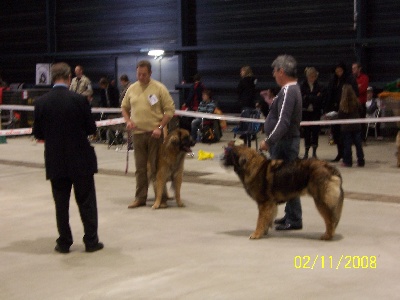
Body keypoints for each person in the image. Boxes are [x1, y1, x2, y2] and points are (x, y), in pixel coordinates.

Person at [33, 62, 103, 254]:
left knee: (61, 204)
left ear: (52, 77)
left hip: (56, 160)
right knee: (87, 202)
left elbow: (38, 133)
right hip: (81, 159)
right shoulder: (79, 101)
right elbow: (91, 129)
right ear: (69, 76)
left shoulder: (41, 102)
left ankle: (64, 242)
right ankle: (91, 241)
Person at [121, 60, 175, 208]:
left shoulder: (159, 88)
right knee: (140, 168)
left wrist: (160, 126)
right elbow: (124, 107)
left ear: (150, 73)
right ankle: (140, 198)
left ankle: (162, 198)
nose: (141, 77)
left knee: (157, 168)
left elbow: (170, 110)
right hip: (137, 134)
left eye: (144, 74)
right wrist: (128, 120)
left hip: (155, 135)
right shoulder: (131, 89)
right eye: (139, 74)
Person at [259, 54, 303, 231]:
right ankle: (290, 215)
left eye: (275, 71)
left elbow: (283, 122)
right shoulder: (290, 90)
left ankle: (294, 219)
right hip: (285, 142)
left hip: (284, 144)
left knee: (288, 182)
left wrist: (269, 142)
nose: (273, 75)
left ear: (282, 71)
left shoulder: (288, 91)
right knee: (286, 182)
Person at [325, 62, 359, 162]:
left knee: (346, 134)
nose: (338, 73)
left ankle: (347, 155)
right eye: (337, 71)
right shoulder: (333, 80)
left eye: (340, 71)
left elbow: (354, 93)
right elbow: (329, 94)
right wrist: (327, 108)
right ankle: (340, 153)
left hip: (346, 111)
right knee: (336, 133)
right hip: (335, 110)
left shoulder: (350, 79)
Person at [300, 67, 325, 159]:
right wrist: (314, 96)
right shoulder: (302, 85)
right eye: (310, 76)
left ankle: (314, 152)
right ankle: (306, 152)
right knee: (306, 132)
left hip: (315, 112)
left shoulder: (319, 86)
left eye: (314, 76)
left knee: (315, 132)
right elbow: (302, 98)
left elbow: (320, 98)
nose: (312, 78)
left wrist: (309, 97)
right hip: (306, 112)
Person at [338, 84, 365, 167]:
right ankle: (361, 161)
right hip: (356, 126)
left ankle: (348, 161)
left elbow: (340, 116)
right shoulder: (357, 102)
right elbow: (361, 111)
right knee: (358, 144)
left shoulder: (343, 104)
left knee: (347, 145)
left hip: (346, 128)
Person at [352, 62, 369, 140]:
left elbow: (362, 90)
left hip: (361, 103)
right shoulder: (351, 78)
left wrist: (356, 88)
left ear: (359, 69)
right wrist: (357, 87)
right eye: (352, 68)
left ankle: (362, 139)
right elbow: (350, 90)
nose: (353, 70)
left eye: (355, 68)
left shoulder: (365, 77)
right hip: (352, 104)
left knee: (361, 121)